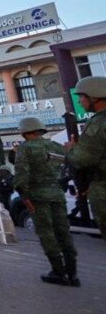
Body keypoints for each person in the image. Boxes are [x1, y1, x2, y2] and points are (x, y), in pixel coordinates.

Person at [14, 116, 78, 286]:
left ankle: (58, 271)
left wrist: (24, 196)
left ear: (25, 133)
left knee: (46, 233)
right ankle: (72, 273)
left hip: (37, 196)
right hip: (57, 194)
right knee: (63, 232)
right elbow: (68, 161)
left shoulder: (25, 149)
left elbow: (21, 175)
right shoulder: (54, 146)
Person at [65, 76, 106, 240]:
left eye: (82, 96)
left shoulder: (97, 123)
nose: (81, 101)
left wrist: (71, 150)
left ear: (94, 96)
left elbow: (81, 159)